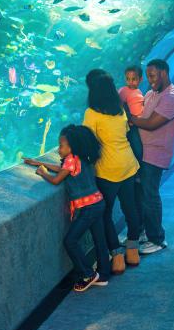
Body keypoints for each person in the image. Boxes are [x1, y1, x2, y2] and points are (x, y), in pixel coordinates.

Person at [26, 125, 111, 293]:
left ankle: (88, 274)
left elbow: (57, 179)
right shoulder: (81, 156)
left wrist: (42, 172)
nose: (58, 149)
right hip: (98, 203)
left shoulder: (71, 160)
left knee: (70, 241)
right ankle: (103, 275)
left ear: (72, 146)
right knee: (99, 239)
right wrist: (39, 162)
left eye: (61, 145)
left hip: (88, 209)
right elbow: (64, 169)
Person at [83, 69, 142, 274]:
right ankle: (133, 250)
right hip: (128, 164)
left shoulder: (91, 113)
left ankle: (117, 256)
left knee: (105, 214)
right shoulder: (120, 109)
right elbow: (125, 132)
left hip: (107, 170)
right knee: (131, 208)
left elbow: (88, 141)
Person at [128, 58, 174, 255]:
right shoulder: (151, 94)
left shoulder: (172, 97)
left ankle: (157, 239)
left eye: (152, 75)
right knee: (140, 195)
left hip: (155, 154)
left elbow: (151, 123)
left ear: (164, 73)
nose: (149, 80)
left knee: (150, 196)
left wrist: (131, 119)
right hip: (143, 152)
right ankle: (142, 233)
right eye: (148, 76)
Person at [118, 64, 145, 163]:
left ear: (140, 79)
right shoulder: (123, 90)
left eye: (134, 79)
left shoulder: (139, 91)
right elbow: (119, 105)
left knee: (140, 146)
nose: (130, 82)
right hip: (131, 125)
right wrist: (128, 118)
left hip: (139, 123)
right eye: (128, 79)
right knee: (137, 148)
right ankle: (138, 169)